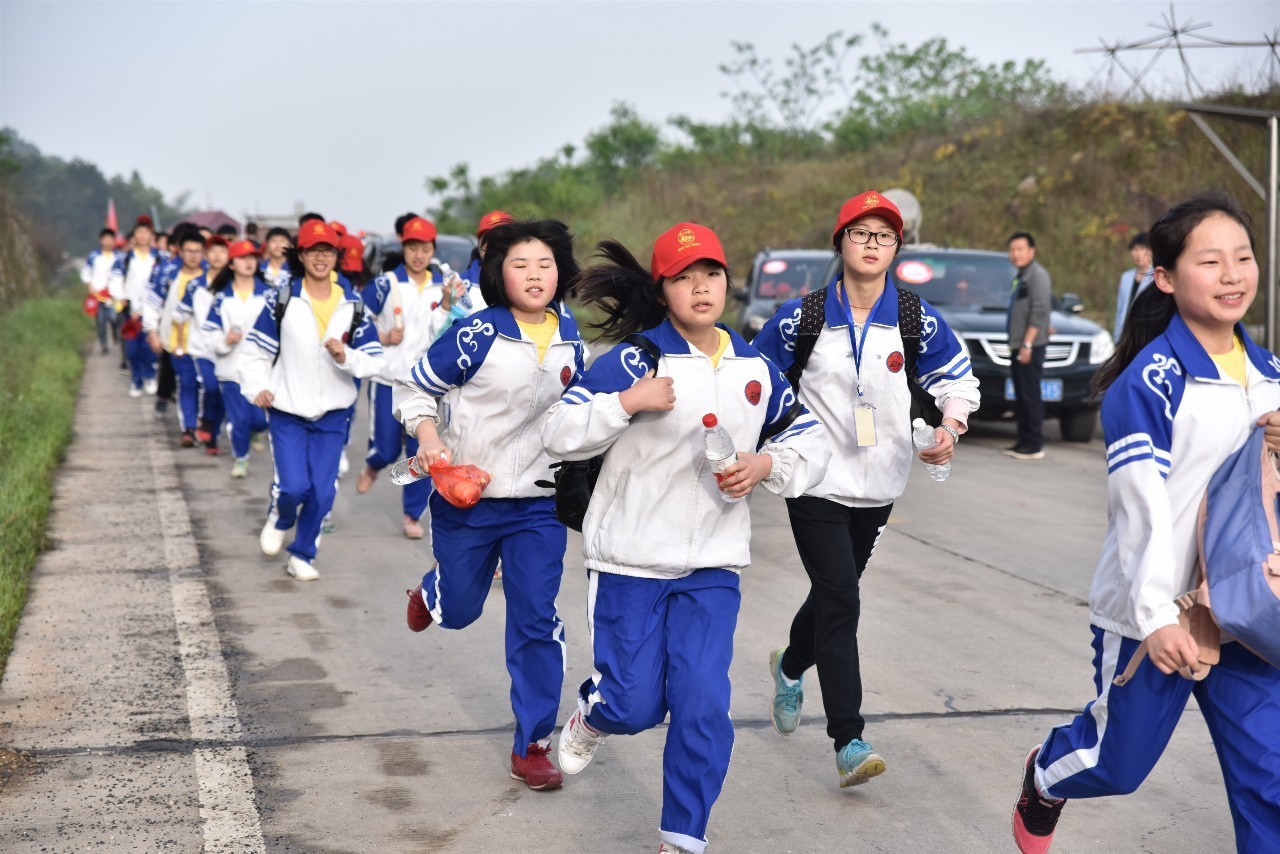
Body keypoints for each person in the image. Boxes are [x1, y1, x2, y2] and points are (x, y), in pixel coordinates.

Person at [545, 223, 830, 854]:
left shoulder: (756, 367)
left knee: (703, 707)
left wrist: (765, 466)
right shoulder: (634, 359)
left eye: (711, 274)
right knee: (633, 705)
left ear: (729, 282)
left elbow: (808, 439)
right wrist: (625, 402)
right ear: (663, 288)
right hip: (630, 561)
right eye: (683, 277)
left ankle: (682, 838)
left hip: (713, 567)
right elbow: (560, 432)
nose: (700, 288)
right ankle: (593, 715)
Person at [1011, 193, 1280, 854]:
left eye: (1242, 258)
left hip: (1246, 607)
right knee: (1117, 766)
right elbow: (1139, 509)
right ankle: (1045, 775)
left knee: (1272, 782)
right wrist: (1157, 615)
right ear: (1164, 277)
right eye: (1209, 261)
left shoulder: (1272, 375)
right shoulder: (1151, 382)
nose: (1232, 275)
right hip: (1155, 612)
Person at [752, 191, 980, 789]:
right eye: (861, 233)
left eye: (885, 235)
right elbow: (752, 384)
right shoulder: (801, 317)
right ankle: (849, 739)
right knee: (844, 602)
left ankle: (790, 664)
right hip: (814, 479)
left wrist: (950, 428)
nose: (872, 243)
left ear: (897, 248)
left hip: (880, 485)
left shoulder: (913, 317)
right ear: (840, 243)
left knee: (835, 595)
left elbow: (956, 378)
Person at [394, 219, 586, 793]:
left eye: (545, 264)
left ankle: (532, 743)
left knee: (535, 619)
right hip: (468, 499)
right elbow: (414, 388)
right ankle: (434, 592)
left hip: (538, 506)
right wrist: (428, 439)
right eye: (521, 264)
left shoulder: (572, 332)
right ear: (499, 273)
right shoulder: (476, 335)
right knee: (461, 610)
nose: (534, 275)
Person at [239, 220, 384, 581]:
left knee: (321, 491)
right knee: (292, 487)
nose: (321, 257)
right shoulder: (283, 298)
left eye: (328, 251)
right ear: (301, 255)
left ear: (336, 255)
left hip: (334, 411)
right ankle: (281, 516)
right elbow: (256, 349)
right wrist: (256, 386)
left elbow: (374, 358)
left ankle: (302, 554)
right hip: (287, 407)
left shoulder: (353, 303)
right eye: (313, 250)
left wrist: (345, 357)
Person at [357, 216, 461, 538]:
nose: (419, 254)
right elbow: (357, 319)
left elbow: (455, 324)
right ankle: (375, 464)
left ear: (433, 250)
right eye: (413, 248)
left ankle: (411, 515)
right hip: (389, 379)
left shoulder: (445, 284)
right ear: (404, 248)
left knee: (422, 451)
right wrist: (381, 337)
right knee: (388, 450)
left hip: (427, 384)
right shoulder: (385, 283)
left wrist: (447, 303)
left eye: (425, 248)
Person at [204, 240, 270, 478]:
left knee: (261, 421)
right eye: (243, 258)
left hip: (263, 371)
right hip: (231, 371)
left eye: (253, 257)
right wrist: (226, 341)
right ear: (232, 264)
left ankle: (256, 431)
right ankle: (241, 458)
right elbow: (209, 334)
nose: (249, 262)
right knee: (238, 419)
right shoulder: (222, 298)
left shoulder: (268, 295)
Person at [144, 228, 207, 439]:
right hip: (176, 342)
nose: (193, 256)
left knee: (205, 387)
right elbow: (152, 303)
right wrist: (152, 331)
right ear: (180, 251)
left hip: (207, 344)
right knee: (187, 384)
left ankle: (206, 424)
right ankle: (189, 428)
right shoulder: (168, 272)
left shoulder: (212, 275)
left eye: (197, 251)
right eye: (188, 251)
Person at [174, 235, 230, 454]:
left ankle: (212, 436)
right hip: (201, 349)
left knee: (224, 394)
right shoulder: (195, 285)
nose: (217, 256)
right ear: (206, 256)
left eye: (222, 252)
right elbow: (180, 316)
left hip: (228, 350)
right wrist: (179, 344)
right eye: (213, 251)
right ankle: (205, 421)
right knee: (211, 387)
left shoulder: (233, 284)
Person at [1005, 231, 1052, 460]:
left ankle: (1034, 444)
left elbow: (1040, 308)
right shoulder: (1022, 275)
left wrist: (1027, 343)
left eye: (1020, 249)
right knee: (1021, 395)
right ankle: (1023, 440)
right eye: (1012, 250)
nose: (1016, 254)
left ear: (1031, 251)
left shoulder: (1037, 275)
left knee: (1030, 394)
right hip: (1020, 344)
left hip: (1029, 346)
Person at [111, 215, 162, 396]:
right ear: (134, 235)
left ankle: (149, 375)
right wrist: (121, 297)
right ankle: (135, 380)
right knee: (132, 350)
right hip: (131, 311)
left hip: (153, 310)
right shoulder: (124, 258)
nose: (142, 236)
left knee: (148, 348)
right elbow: (116, 280)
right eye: (139, 232)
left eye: (145, 232)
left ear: (151, 235)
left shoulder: (160, 258)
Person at [83, 228, 122, 355]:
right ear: (101, 241)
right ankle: (104, 344)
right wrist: (90, 287)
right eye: (106, 239)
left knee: (114, 317)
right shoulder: (94, 256)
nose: (108, 242)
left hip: (113, 296)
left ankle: (116, 334)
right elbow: (86, 273)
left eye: (111, 240)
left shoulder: (119, 257)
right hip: (98, 295)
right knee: (101, 321)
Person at [1113, 231, 1153, 339]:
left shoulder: (1156, 277)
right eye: (1135, 250)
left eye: (1143, 249)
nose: (1139, 254)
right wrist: (1117, 336)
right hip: (1125, 333)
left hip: (1146, 334)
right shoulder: (1126, 277)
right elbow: (1120, 308)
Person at [460, 209, 514, 285]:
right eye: (486, 237)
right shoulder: (460, 285)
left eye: (499, 238)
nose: (491, 243)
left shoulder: (526, 279)